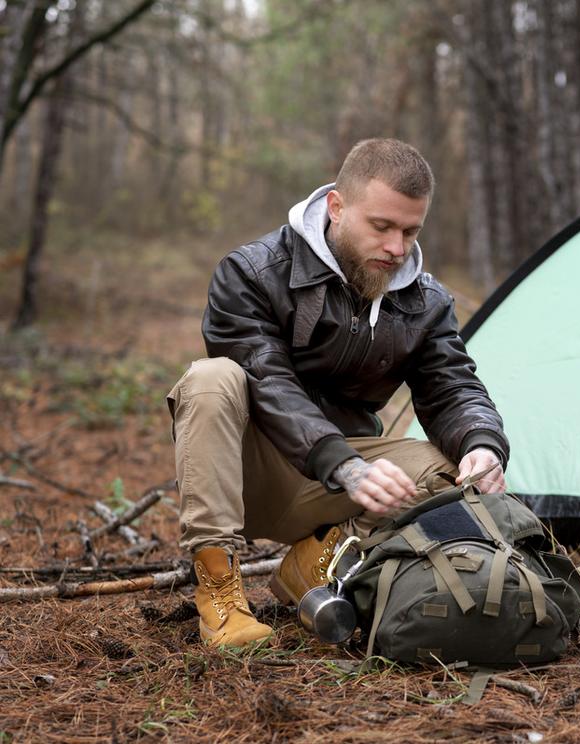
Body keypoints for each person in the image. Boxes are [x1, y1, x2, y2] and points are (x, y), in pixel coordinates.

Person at [166, 138, 509, 646]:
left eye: (411, 231)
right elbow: (267, 380)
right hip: (248, 474)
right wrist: (344, 465)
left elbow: (452, 385)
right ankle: (219, 591)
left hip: (343, 486)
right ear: (337, 206)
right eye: (382, 227)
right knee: (210, 379)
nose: (397, 248)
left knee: (447, 470)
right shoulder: (252, 273)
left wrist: (482, 443)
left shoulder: (426, 300)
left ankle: (318, 565)